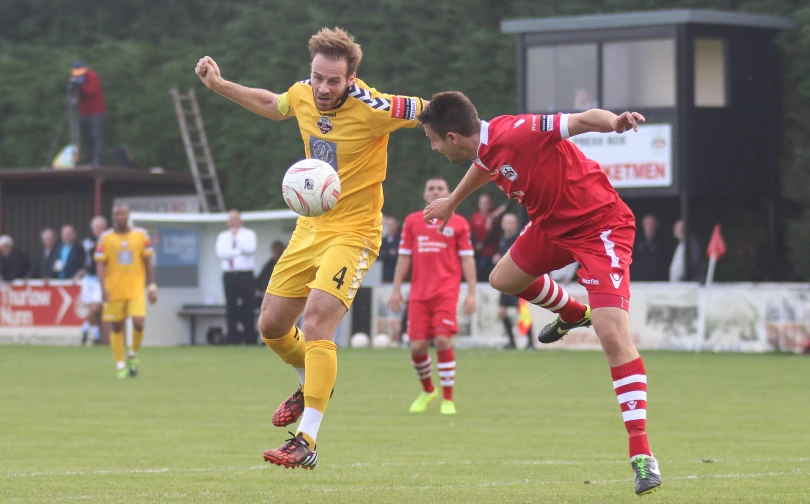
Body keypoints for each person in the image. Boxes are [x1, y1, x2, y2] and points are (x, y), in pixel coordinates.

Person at [195, 27, 427, 469]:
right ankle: (312, 382)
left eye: (333, 80)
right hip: (311, 228)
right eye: (317, 77)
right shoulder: (303, 94)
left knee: (319, 322)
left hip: (354, 231)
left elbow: (436, 110)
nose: (322, 88)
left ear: (352, 77)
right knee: (272, 327)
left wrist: (493, 141)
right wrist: (220, 85)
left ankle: (306, 440)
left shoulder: (376, 107)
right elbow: (272, 104)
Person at [420, 91, 661, 496]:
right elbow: (484, 165)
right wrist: (452, 203)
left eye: (433, 140)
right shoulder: (486, 147)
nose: (433, 147)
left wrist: (615, 123)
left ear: (452, 137)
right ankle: (571, 312)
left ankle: (642, 454)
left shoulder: (520, 130)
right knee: (503, 279)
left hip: (600, 226)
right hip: (552, 227)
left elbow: (582, 120)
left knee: (613, 336)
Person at [387, 177, 476, 415]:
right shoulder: (413, 221)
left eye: (440, 189)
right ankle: (428, 391)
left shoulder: (458, 223)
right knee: (417, 347)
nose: (435, 192)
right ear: (424, 194)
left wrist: (472, 293)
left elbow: (467, 258)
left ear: (449, 194)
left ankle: (448, 399)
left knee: (443, 341)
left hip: (446, 291)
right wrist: (396, 288)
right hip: (418, 294)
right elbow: (404, 256)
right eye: (431, 189)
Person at [95, 205, 157, 379]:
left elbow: (148, 261)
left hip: (136, 288)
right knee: (116, 327)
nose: (120, 217)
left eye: (123, 214)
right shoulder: (105, 238)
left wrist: (152, 286)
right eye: (116, 214)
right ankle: (121, 365)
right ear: (113, 217)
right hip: (114, 289)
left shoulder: (141, 235)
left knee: (138, 323)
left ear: (128, 215)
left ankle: (132, 354)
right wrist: (103, 288)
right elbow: (100, 264)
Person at [216, 210, 258, 345]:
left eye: (235, 219)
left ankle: (249, 338)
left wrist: (236, 238)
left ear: (240, 221)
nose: (232, 222)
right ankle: (232, 338)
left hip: (245, 275)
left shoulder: (248, 234)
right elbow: (221, 254)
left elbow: (250, 249)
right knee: (231, 307)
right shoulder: (222, 236)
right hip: (229, 275)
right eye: (230, 219)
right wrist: (238, 252)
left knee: (248, 306)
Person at [493, 213, 535, 350]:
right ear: (502, 225)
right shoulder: (502, 240)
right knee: (502, 312)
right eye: (506, 222)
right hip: (506, 281)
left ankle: (530, 343)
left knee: (522, 311)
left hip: (517, 281)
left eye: (511, 223)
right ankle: (511, 341)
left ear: (516, 225)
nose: (508, 225)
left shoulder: (519, 239)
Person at [69, 61, 106, 166]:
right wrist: (73, 87)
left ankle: (97, 160)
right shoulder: (76, 77)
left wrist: (80, 87)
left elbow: (91, 92)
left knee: (96, 136)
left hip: (96, 111)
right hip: (84, 112)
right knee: (87, 137)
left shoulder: (92, 76)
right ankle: (89, 160)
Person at [80, 216, 107, 345]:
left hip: (99, 279)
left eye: (101, 227)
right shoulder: (86, 242)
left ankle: (85, 327)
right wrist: (78, 274)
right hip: (88, 279)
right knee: (93, 308)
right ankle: (96, 333)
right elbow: (83, 262)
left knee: (96, 307)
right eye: (96, 227)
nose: (99, 230)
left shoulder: (108, 241)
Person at [469, 193, 506, 282]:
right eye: (482, 203)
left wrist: (491, 217)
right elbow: (470, 235)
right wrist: (475, 245)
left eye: (486, 203)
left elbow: (504, 207)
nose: (484, 206)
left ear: (490, 204)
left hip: (493, 253)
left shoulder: (494, 217)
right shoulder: (475, 217)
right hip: (479, 253)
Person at [631, 214, 669, 281]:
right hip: (637, 281)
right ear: (643, 225)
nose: (650, 227)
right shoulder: (635, 241)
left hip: (657, 281)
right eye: (648, 224)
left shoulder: (663, 243)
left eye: (652, 224)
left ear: (656, 225)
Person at [379, 215, 400, 283]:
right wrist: (388, 253)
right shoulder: (382, 241)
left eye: (393, 224)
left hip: (398, 274)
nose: (392, 227)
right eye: (389, 225)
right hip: (384, 275)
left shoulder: (401, 239)